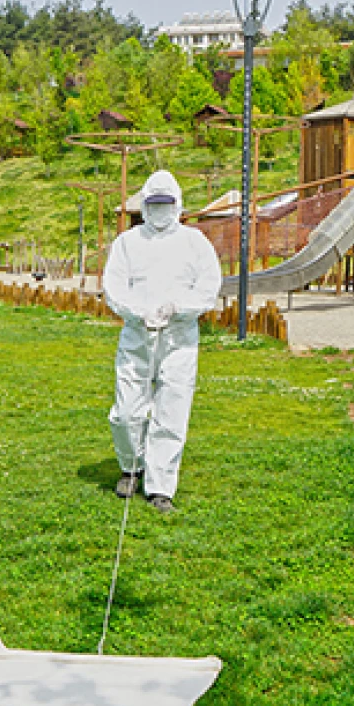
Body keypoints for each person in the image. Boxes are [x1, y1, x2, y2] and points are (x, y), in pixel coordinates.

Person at [102, 171, 222, 514]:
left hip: (179, 339)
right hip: (138, 336)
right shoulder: (128, 242)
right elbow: (115, 287)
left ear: (178, 204)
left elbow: (208, 287)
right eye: (153, 204)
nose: (159, 210)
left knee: (172, 411)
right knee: (126, 412)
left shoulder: (195, 242)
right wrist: (136, 313)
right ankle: (131, 466)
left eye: (165, 203)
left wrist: (180, 310)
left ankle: (161, 487)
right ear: (144, 205)